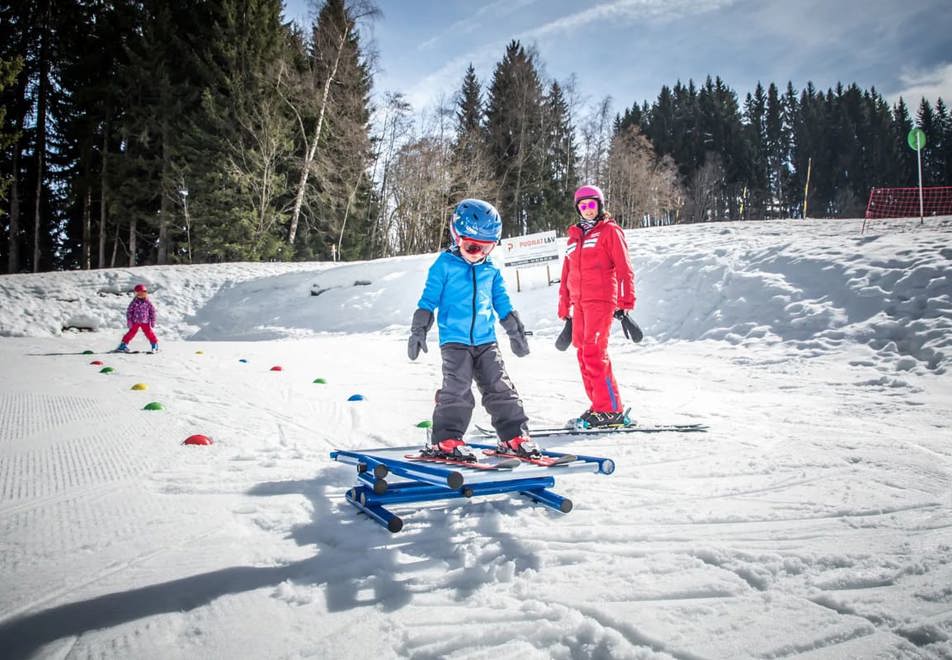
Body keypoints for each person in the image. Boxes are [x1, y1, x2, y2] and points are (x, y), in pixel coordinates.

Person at [408, 199, 539, 461]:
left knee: (500, 386)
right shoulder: (444, 265)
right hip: (454, 341)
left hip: (486, 340)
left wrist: (514, 329)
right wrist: (419, 328)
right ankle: (446, 440)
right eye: (472, 246)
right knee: (456, 389)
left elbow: (501, 300)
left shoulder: (490, 269)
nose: (478, 253)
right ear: (456, 236)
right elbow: (428, 299)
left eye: (487, 247)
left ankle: (514, 436)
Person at [557, 184, 635, 428]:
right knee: (582, 353)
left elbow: (624, 269)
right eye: (583, 206)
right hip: (579, 303)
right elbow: (566, 274)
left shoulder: (609, 232)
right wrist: (564, 307)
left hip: (601, 300)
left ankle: (612, 410)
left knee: (593, 352)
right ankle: (598, 406)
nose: (588, 210)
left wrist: (625, 302)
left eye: (592, 205)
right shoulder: (574, 237)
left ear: (600, 206)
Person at [116, 284, 158, 353]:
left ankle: (154, 345)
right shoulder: (134, 302)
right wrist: (129, 321)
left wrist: (153, 320)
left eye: (142, 293)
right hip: (135, 321)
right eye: (138, 293)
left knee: (149, 333)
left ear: (145, 293)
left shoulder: (148, 303)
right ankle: (123, 345)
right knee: (131, 333)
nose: (140, 295)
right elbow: (129, 312)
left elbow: (152, 312)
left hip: (145, 321)